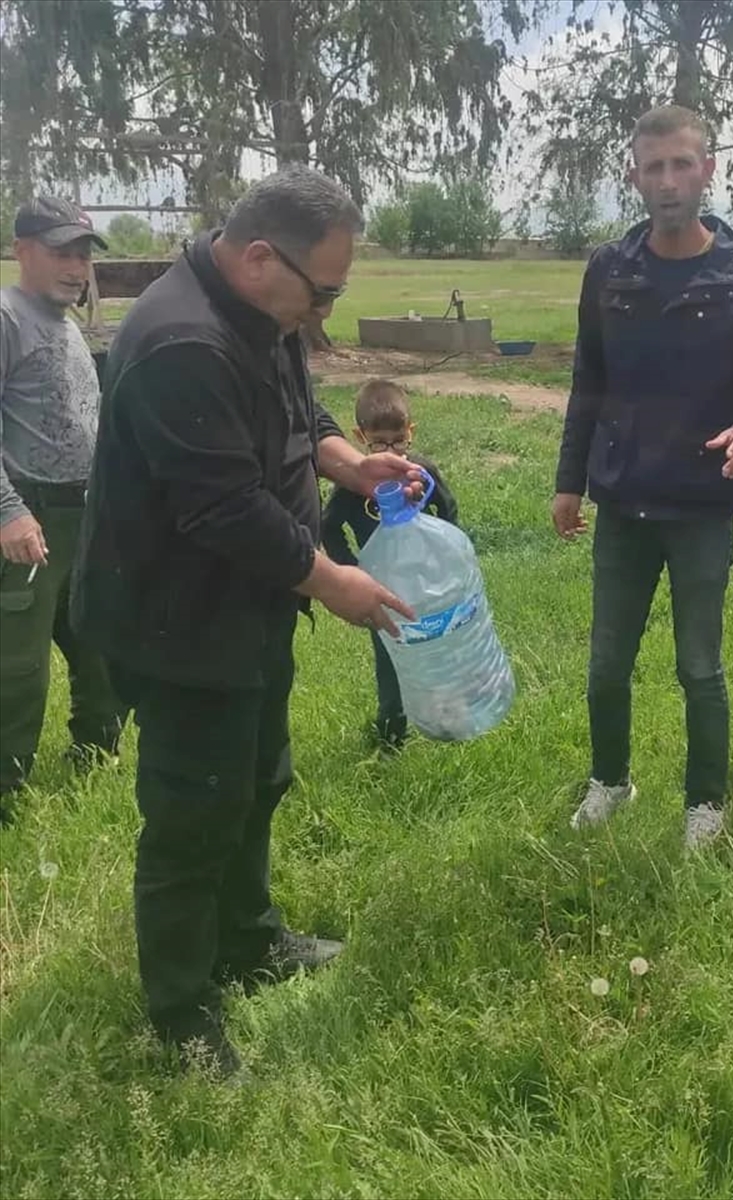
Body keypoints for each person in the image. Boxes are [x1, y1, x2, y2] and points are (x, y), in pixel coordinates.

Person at [72, 166, 422, 1077]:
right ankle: (183, 1012)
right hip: (177, 624)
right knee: (192, 813)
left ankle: (249, 939)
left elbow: (298, 411)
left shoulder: (264, 314)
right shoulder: (181, 339)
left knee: (258, 778)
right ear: (261, 256)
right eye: (326, 291)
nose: (327, 311)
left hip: (252, 608)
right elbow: (223, 509)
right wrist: (333, 581)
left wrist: (349, 463)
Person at [552, 105, 733, 850]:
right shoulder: (609, 270)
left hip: (701, 506)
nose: (667, 181)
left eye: (681, 164)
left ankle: (705, 801)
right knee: (606, 664)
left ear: (708, 170)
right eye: (652, 167)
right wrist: (570, 480)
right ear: (633, 175)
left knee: (700, 667)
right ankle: (610, 780)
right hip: (622, 500)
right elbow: (586, 381)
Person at [0, 197, 124, 823]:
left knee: (100, 643)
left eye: (82, 254)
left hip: (87, 516)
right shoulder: (6, 316)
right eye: (61, 252)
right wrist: (8, 512)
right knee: (17, 669)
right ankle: (6, 795)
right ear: (22, 250)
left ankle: (96, 759)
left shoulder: (67, 322)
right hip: (29, 519)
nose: (76, 267)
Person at [321, 378, 459, 750]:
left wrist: (444, 552)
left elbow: (447, 508)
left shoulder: (421, 472)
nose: (392, 451)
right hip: (381, 589)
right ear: (360, 436)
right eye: (379, 443)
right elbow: (327, 526)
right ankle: (392, 729)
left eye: (399, 441)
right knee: (389, 655)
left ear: (410, 432)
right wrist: (351, 569)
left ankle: (446, 713)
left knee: (437, 643)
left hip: (426, 583)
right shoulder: (353, 485)